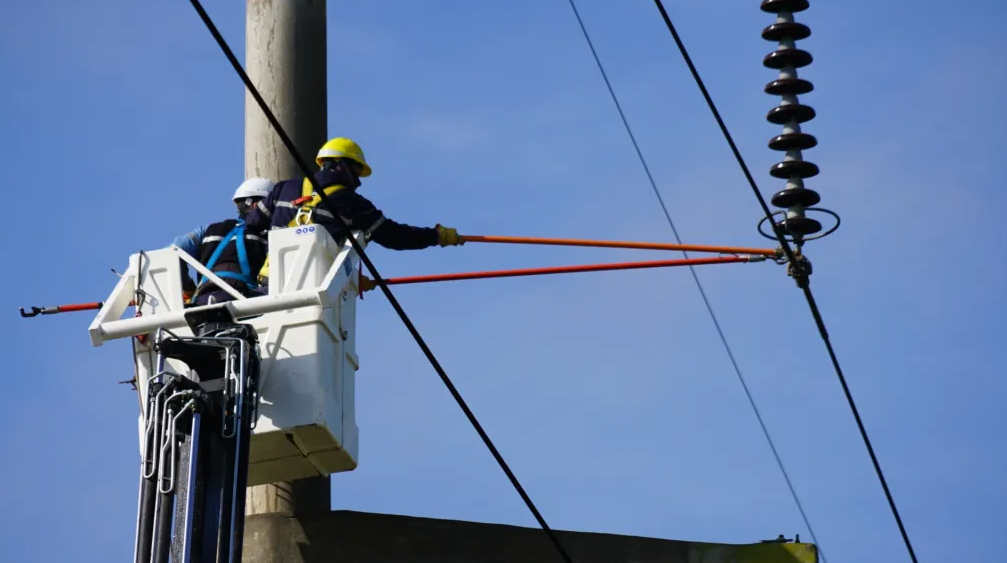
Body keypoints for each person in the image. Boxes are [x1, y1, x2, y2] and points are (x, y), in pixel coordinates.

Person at [242, 137, 463, 282]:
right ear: (340, 164)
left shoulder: (284, 189)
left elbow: (250, 227)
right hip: (313, 289)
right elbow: (396, 237)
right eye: (357, 170)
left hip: (268, 285)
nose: (358, 178)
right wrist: (436, 236)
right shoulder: (353, 204)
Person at [172, 178, 274, 303]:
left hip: (201, 302)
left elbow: (175, 249)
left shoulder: (208, 230)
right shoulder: (269, 235)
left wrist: (188, 288)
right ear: (256, 205)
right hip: (244, 303)